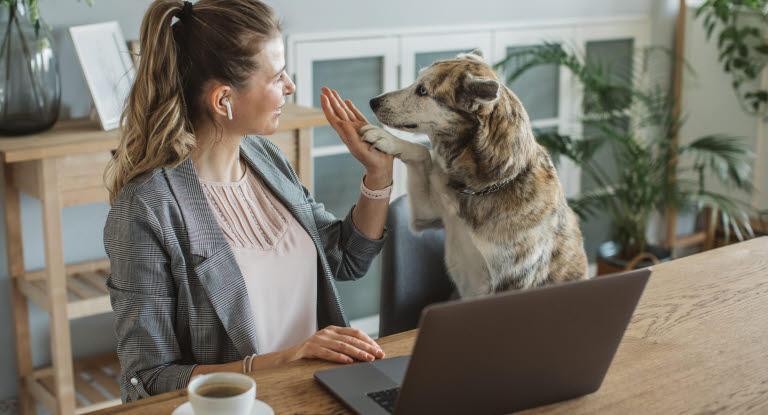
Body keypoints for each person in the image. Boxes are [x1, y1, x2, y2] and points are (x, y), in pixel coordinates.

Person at [104, 0, 393, 403]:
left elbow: (346, 257)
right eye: (276, 76)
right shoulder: (148, 207)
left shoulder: (265, 158)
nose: (290, 86)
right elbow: (147, 380)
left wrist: (378, 176)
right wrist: (282, 360)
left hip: (317, 396)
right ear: (224, 100)